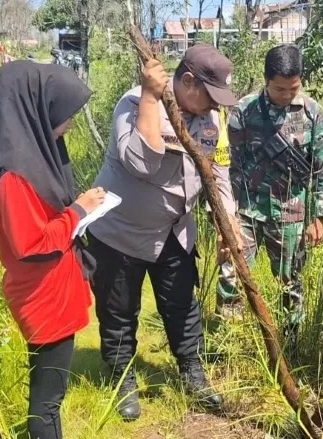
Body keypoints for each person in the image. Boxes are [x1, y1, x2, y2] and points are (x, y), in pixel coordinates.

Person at [85, 44, 238, 421]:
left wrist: (228, 225)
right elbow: (141, 162)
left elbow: (218, 175)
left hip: (174, 232)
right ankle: (123, 378)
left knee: (182, 306)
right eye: (210, 96)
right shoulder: (135, 104)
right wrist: (153, 99)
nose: (215, 107)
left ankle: (192, 371)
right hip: (120, 233)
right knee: (119, 310)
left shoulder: (210, 121)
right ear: (187, 81)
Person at [0, 61, 103, 439]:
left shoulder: (32, 156)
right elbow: (31, 242)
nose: (71, 123)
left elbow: (42, 217)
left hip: (50, 290)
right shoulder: (14, 173)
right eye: (64, 114)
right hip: (44, 296)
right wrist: (80, 211)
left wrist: (75, 208)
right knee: (46, 404)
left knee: (49, 399)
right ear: (37, 109)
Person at [217, 44, 323, 344]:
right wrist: (225, 216)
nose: (287, 95)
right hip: (247, 209)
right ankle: (228, 342)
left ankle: (291, 344)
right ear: (266, 80)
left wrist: (319, 216)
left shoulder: (313, 114)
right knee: (233, 272)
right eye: (280, 89)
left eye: (293, 88)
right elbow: (228, 166)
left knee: (290, 280)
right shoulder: (243, 112)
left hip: (291, 212)